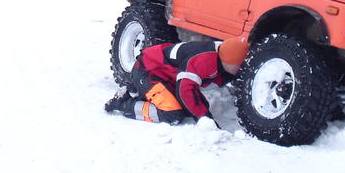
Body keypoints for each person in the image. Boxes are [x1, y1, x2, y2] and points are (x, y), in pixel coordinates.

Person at [105, 37, 250, 126]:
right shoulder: (203, 61)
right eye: (239, 66)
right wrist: (203, 118)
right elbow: (185, 90)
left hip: (165, 77)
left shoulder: (222, 54)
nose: (241, 70)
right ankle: (124, 103)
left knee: (191, 108)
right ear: (228, 61)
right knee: (172, 114)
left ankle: (142, 94)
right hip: (148, 71)